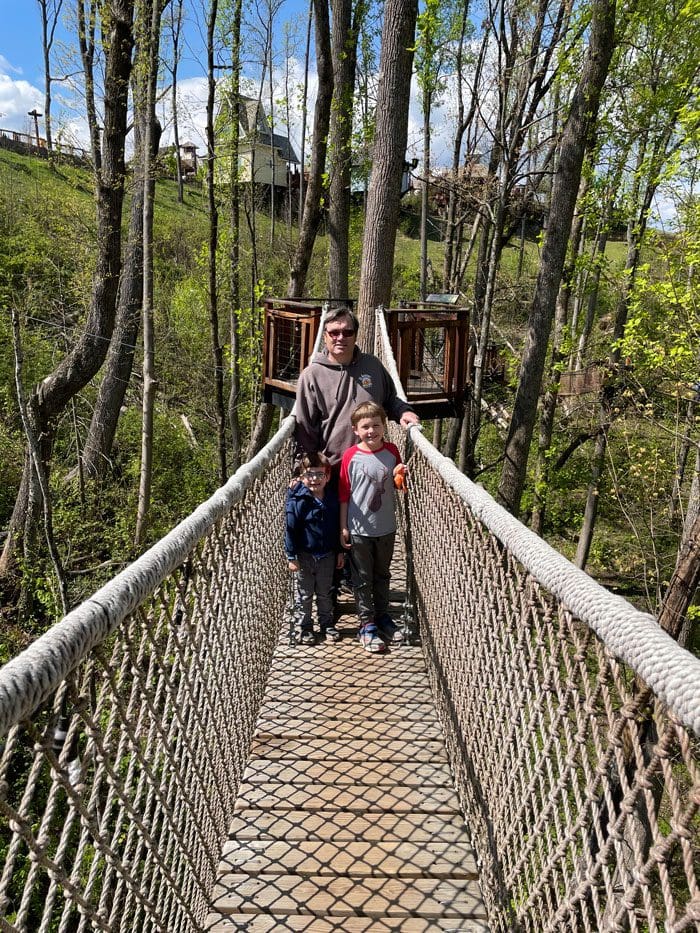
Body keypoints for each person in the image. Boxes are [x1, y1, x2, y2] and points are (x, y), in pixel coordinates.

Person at [294, 306, 420, 472]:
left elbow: (390, 399)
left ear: (355, 336)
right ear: (325, 336)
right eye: (334, 333)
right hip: (331, 471)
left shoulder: (372, 365)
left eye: (347, 332)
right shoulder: (311, 375)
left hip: (372, 467)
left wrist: (403, 411)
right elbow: (305, 429)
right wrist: (303, 468)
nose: (340, 338)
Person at [339, 402, 405, 653]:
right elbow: (344, 493)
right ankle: (366, 625)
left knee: (383, 574)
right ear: (356, 430)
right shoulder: (350, 456)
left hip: (386, 527)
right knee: (362, 579)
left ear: (384, 426)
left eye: (376, 425)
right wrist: (343, 526)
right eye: (365, 426)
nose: (371, 431)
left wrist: (401, 474)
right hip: (358, 529)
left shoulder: (392, 451)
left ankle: (383, 617)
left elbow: (398, 485)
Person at [285, 452, 345, 645]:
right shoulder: (298, 499)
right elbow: (290, 527)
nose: (314, 479)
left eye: (320, 475)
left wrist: (340, 552)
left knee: (325, 592)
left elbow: (337, 528)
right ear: (302, 478)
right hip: (304, 555)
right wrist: (291, 556)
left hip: (327, 554)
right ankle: (306, 627)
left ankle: (326, 624)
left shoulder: (332, 500)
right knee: (304, 594)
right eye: (310, 474)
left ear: (327, 477)